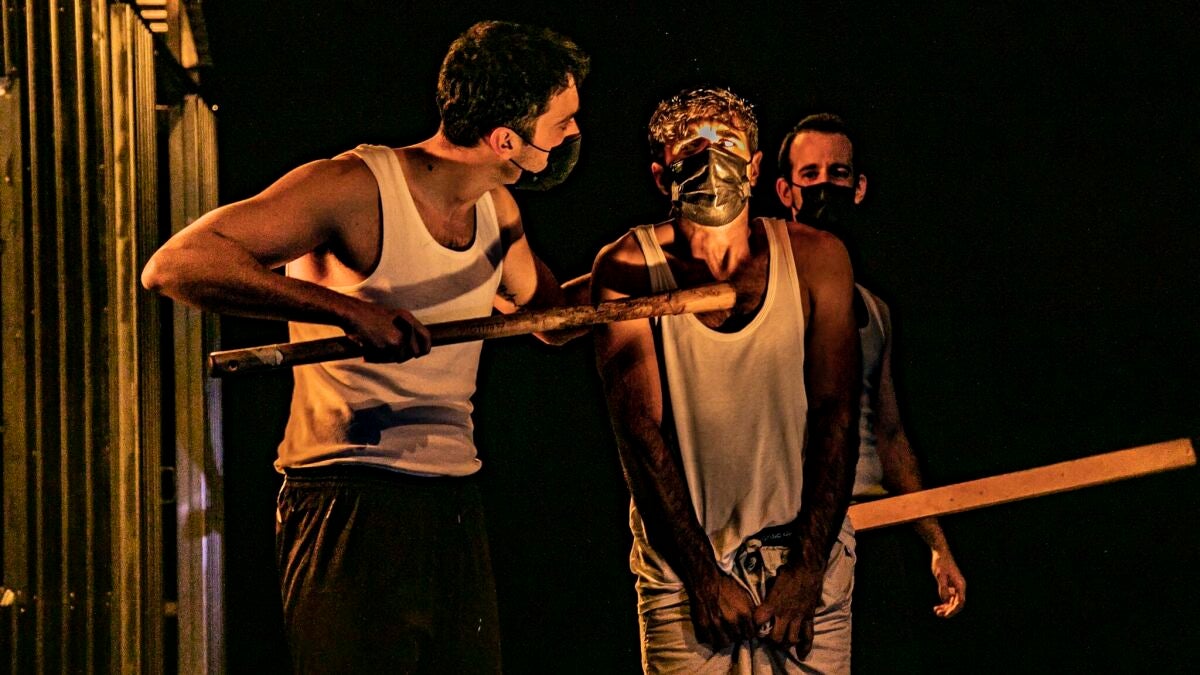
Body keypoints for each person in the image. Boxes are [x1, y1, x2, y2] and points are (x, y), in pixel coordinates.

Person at [141, 20, 589, 674]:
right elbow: (176, 265)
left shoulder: (498, 210)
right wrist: (348, 311)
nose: (574, 133)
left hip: (452, 502)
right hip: (346, 498)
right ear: (505, 140)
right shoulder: (353, 187)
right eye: (562, 122)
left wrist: (647, 267)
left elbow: (551, 320)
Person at [591, 88, 860, 673]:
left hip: (804, 558)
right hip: (684, 568)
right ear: (662, 176)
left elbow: (836, 413)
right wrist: (702, 578)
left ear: (756, 167)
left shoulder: (816, 259)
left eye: (728, 146)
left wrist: (807, 569)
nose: (713, 162)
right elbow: (638, 432)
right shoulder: (628, 267)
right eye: (692, 150)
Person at [774, 113, 967, 669]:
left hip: (871, 527)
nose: (825, 186)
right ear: (785, 191)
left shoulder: (875, 310)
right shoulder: (763, 292)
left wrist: (936, 543)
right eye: (810, 174)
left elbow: (889, 434)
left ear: (858, 187)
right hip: (794, 535)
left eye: (838, 173)